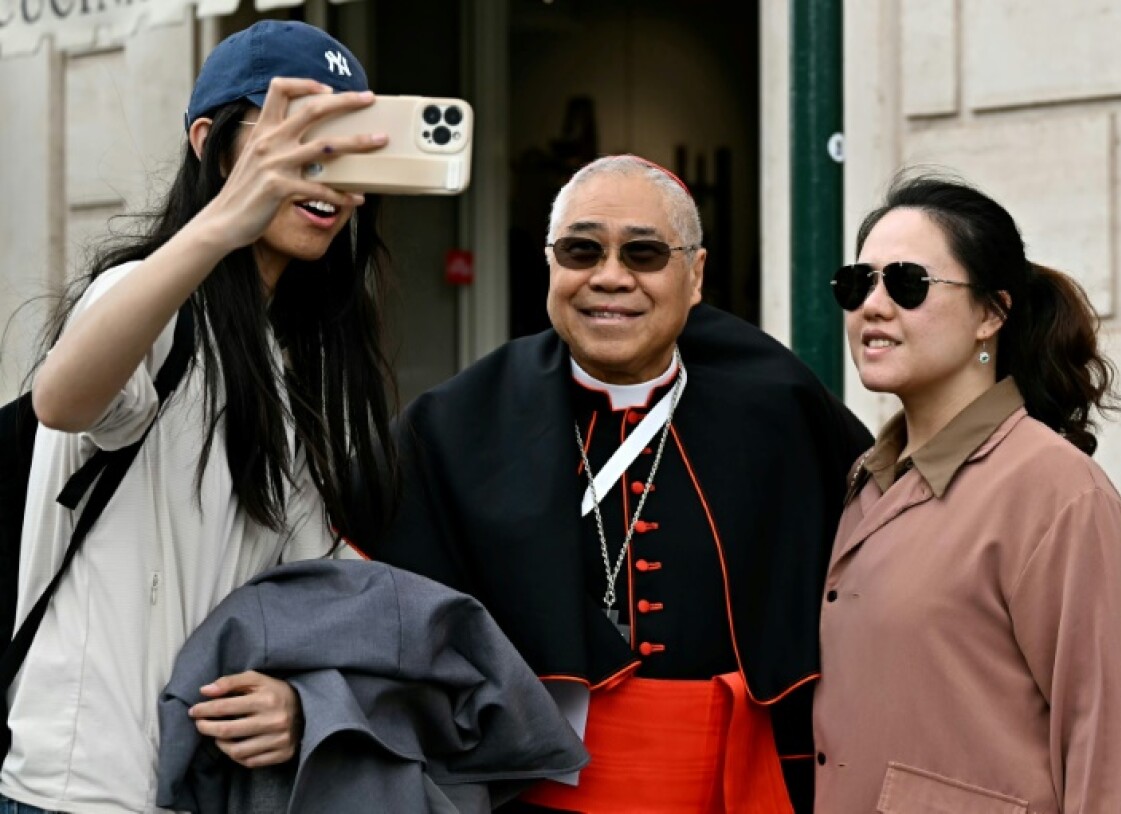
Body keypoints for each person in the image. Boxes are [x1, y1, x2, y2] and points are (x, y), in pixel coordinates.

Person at [348, 154, 873, 812]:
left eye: (646, 254)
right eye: (581, 250)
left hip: (732, 792)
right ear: (550, 265)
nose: (610, 277)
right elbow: (364, 597)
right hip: (534, 797)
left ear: (696, 275)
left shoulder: (779, 409)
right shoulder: (459, 422)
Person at [1, 21, 398, 814]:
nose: (325, 177)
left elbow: (307, 591)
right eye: (295, 141)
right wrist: (224, 221)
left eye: (347, 147)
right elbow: (63, 398)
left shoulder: (300, 364)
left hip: (207, 787)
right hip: (81, 791)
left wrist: (298, 703)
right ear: (208, 142)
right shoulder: (143, 301)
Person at [812, 174, 1121, 812]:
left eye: (908, 284)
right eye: (858, 284)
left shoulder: (1057, 493)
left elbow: (1108, 751)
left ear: (991, 314)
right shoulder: (867, 480)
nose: (873, 307)